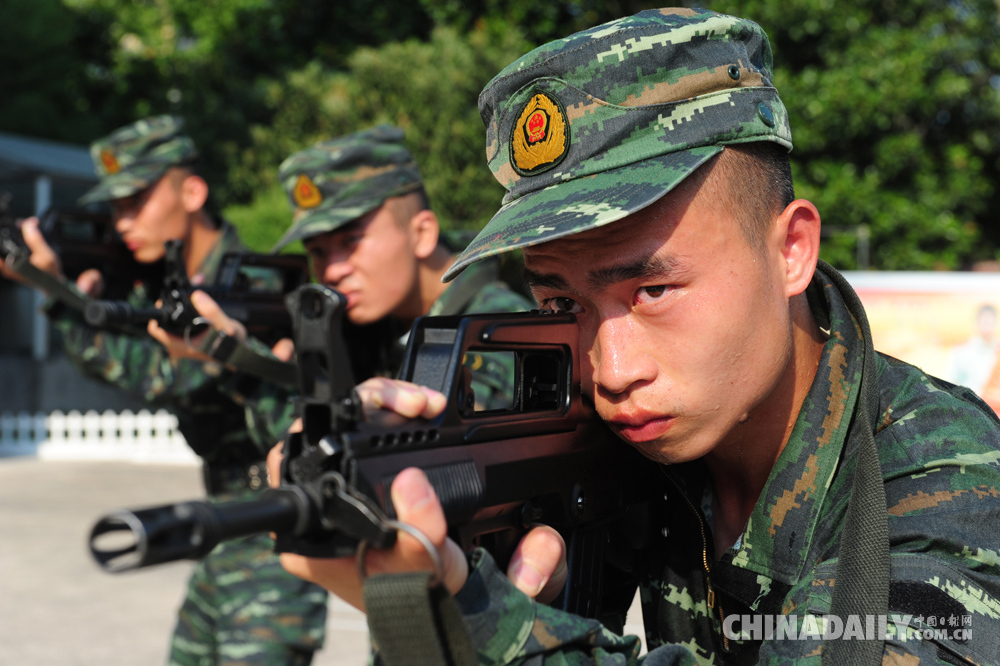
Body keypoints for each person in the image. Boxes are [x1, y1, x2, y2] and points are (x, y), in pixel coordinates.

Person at [266, 9, 1000, 665]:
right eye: (560, 300)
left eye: (653, 290)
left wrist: (477, 619)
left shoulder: (948, 475)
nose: (611, 371)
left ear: (791, 252)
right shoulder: (618, 449)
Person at [3, 116, 329, 665]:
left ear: (192, 191)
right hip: (222, 520)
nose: (122, 219)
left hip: (274, 526)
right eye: (115, 206)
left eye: (136, 200)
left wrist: (56, 293)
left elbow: (163, 374)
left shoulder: (253, 287)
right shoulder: (160, 281)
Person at [155, 125, 534, 442]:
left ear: (421, 234)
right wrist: (240, 358)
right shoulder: (371, 328)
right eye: (317, 251)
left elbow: (409, 453)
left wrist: (239, 359)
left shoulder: (502, 329)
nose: (332, 271)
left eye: (351, 241)